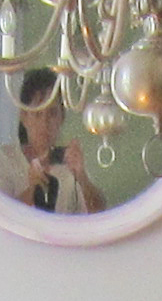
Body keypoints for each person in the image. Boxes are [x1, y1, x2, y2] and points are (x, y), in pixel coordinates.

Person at [10, 67, 97, 216]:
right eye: (37, 113)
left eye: (52, 113)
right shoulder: (5, 159)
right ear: (24, 116)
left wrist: (82, 177)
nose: (44, 122)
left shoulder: (70, 163)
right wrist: (32, 189)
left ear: (61, 118)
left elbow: (100, 213)